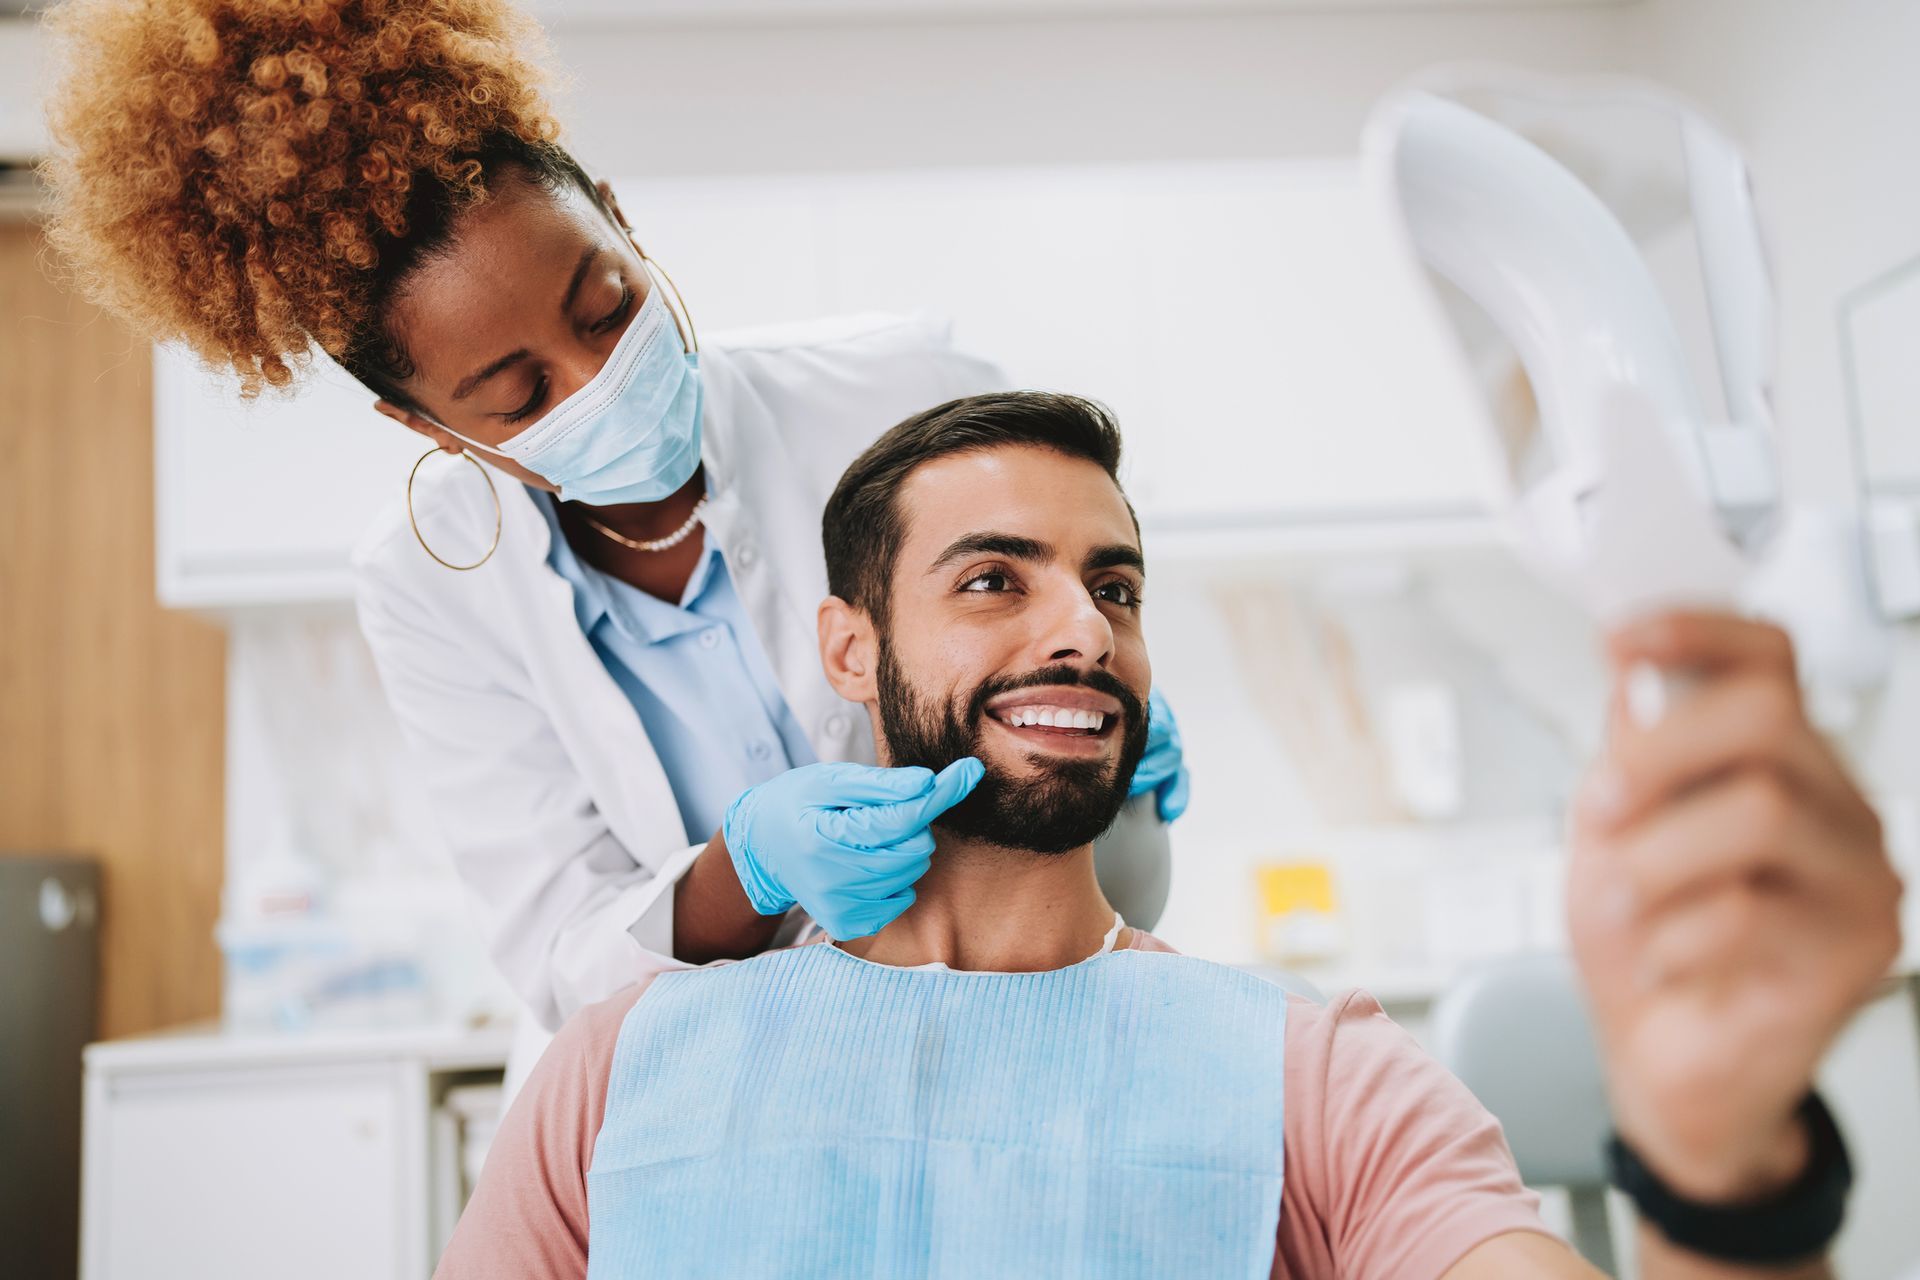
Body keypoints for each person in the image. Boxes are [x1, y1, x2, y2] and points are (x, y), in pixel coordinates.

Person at [436, 391, 1902, 1278]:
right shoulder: (615, 1079)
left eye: (1116, 588)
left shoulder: (1315, 1082)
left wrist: (1726, 1178)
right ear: (847, 647)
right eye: (996, 584)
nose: (1085, 631)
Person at [36, 0, 1188, 1064]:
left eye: (607, 306)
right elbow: (562, 952)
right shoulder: (428, 589)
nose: (600, 377)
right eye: (517, 391)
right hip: (705, 1077)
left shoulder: (903, 393)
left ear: (623, 219)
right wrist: (745, 869)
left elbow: (1057, 623)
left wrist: (1104, 743)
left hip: (995, 1028)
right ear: (422, 421)